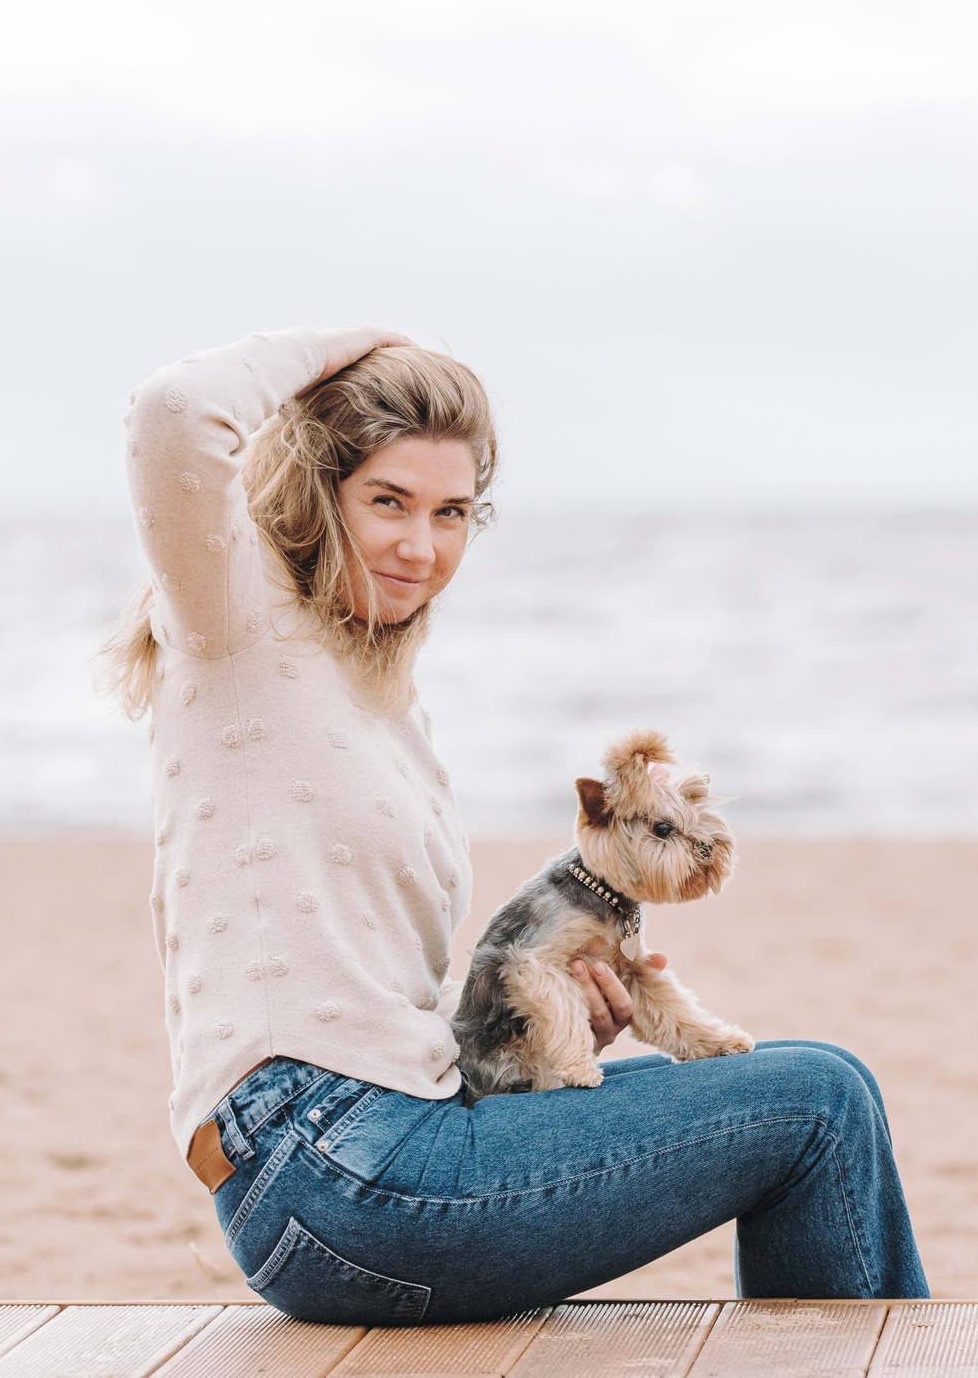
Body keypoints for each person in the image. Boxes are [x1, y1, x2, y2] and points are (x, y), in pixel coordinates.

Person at [103, 326, 927, 1325]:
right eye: (389, 502)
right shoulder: (237, 620)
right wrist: (349, 346)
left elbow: (358, 990)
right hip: (327, 1166)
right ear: (321, 493)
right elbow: (172, 415)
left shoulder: (382, 700)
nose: (423, 545)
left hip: (391, 1132)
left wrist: (551, 1026)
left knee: (828, 1077)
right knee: (817, 1105)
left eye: (452, 512)